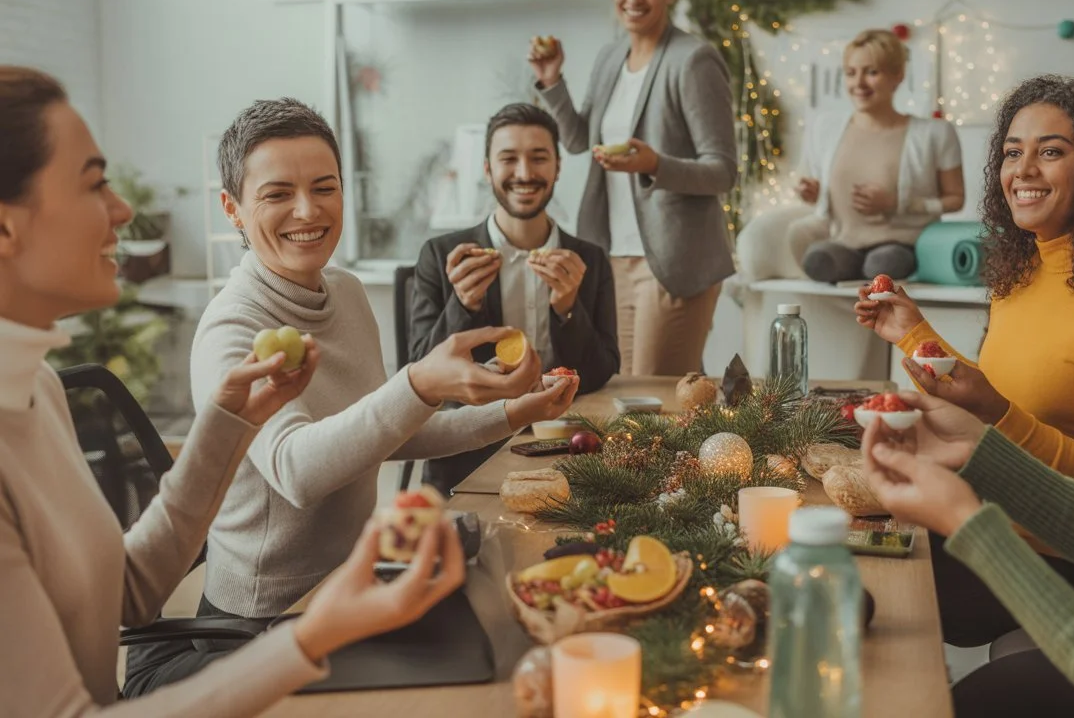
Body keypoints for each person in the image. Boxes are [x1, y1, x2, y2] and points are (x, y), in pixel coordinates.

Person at [0, 66, 468, 715]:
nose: (123, 209)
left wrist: (224, 424)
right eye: (94, 183)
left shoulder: (38, 387)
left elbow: (128, 593)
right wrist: (311, 636)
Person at [123, 97, 577, 694]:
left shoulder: (345, 291)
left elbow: (382, 431)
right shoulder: (230, 329)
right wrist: (417, 383)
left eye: (324, 187)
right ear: (232, 207)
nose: (307, 210)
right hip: (259, 625)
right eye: (277, 193)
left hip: (348, 587)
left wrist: (514, 412)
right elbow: (297, 470)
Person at [860, 59, 1074, 718]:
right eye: (1014, 152)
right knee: (859, 564)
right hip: (1032, 526)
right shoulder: (1022, 277)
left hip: (1068, 567)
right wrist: (917, 346)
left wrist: (973, 500)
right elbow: (977, 391)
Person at [532, 0, 737, 376]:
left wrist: (655, 165)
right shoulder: (610, 57)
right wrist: (552, 82)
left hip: (672, 261)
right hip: (612, 257)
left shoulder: (693, 60)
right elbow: (577, 139)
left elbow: (722, 170)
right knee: (624, 392)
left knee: (652, 400)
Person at [410, 103, 620, 492]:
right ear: (488, 169)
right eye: (509, 159)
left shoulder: (589, 260)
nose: (524, 174)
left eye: (538, 158)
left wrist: (567, 309)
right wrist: (464, 304)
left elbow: (601, 370)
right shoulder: (439, 256)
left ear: (557, 166)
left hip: (566, 449)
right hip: (467, 454)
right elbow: (422, 374)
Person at [736, 28, 965, 283]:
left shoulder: (935, 133)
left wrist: (899, 203)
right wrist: (809, 191)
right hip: (842, 241)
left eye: (872, 72)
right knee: (818, 261)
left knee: (882, 265)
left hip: (901, 242)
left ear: (897, 75)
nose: (859, 84)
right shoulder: (825, 128)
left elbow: (956, 199)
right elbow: (809, 184)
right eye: (851, 73)